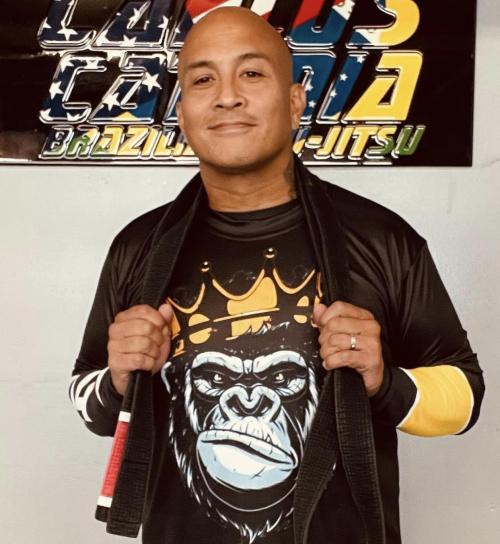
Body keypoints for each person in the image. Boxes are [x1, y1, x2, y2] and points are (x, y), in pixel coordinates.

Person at [70, 7, 484, 544]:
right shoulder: (138, 248)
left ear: (294, 102)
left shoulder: (381, 239)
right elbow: (89, 400)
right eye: (202, 80)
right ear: (181, 111)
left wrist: (384, 381)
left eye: (251, 73)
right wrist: (119, 378)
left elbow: (466, 397)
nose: (227, 97)